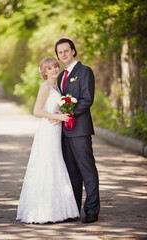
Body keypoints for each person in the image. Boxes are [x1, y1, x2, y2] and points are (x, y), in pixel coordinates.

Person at [16, 57, 79, 224]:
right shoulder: (45, 87)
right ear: (44, 72)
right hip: (47, 130)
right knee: (47, 164)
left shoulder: (56, 86)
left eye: (55, 66)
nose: (54, 70)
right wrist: (57, 116)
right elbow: (37, 110)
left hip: (55, 129)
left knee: (56, 163)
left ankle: (59, 210)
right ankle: (43, 212)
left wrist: (58, 114)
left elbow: (51, 108)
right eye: (49, 68)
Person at [55, 38, 100, 223]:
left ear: (73, 51)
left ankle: (91, 210)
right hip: (64, 131)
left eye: (66, 50)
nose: (63, 54)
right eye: (60, 52)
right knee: (71, 172)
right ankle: (73, 209)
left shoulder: (85, 71)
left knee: (86, 169)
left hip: (80, 129)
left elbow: (87, 99)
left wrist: (68, 111)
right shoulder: (60, 76)